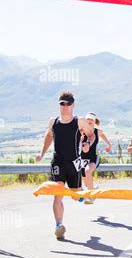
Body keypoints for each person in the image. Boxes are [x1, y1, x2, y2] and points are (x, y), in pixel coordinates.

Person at [35, 91, 93, 240]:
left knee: (74, 195)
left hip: (74, 163)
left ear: (73, 105)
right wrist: (42, 153)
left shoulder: (78, 121)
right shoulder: (53, 122)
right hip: (58, 162)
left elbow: (91, 134)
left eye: (68, 103)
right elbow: (49, 135)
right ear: (59, 105)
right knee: (58, 193)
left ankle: (80, 195)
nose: (65, 106)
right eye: (62, 103)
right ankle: (58, 225)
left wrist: (87, 143)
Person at [80, 112, 112, 205]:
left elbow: (102, 134)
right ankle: (94, 189)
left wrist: (109, 144)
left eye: (91, 119)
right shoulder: (80, 131)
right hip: (82, 159)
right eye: (88, 119)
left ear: (94, 121)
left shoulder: (97, 131)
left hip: (93, 158)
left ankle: (91, 197)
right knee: (86, 182)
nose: (89, 121)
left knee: (87, 172)